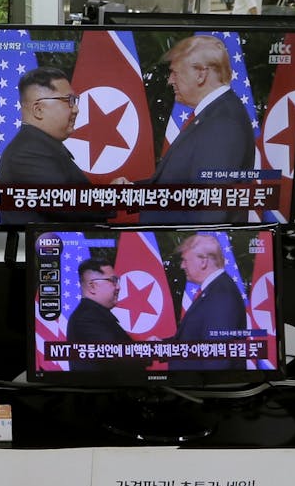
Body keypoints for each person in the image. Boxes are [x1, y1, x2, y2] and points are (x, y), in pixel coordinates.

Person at [140, 35, 255, 223]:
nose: (170, 81)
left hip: (178, 247)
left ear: (201, 74)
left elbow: (209, 212)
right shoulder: (213, 114)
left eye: (175, 73)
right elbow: (181, 189)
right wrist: (128, 191)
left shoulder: (222, 124)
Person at [0, 67, 93, 224]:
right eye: (68, 101)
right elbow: (70, 203)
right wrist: (115, 195)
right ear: (39, 110)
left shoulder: (43, 146)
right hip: (39, 246)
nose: (76, 109)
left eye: (74, 100)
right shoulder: (26, 153)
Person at [169, 234, 246, 371]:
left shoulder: (221, 295)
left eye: (185, 260)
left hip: (199, 389)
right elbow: (196, 341)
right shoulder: (214, 289)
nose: (182, 266)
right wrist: (161, 345)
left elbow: (218, 358)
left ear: (203, 261)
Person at [66, 257, 140, 373]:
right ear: (92, 286)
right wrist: (149, 348)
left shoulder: (95, 315)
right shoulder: (86, 318)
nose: (118, 287)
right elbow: (117, 355)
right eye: (113, 280)